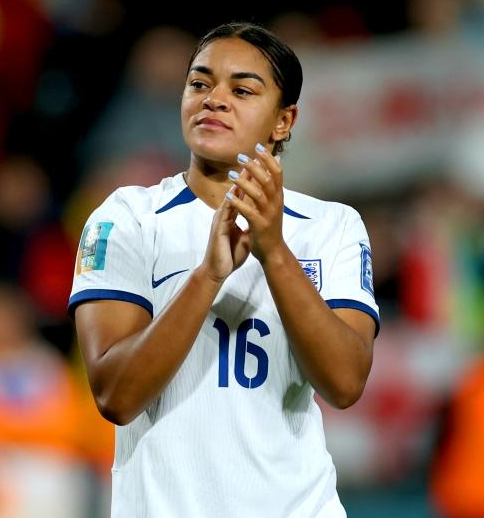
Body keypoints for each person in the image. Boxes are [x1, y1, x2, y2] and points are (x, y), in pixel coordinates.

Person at [69, 21, 380, 518]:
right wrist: (208, 276)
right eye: (199, 83)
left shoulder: (332, 226)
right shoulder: (126, 218)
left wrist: (274, 252)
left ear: (284, 121)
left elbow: (344, 384)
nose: (213, 99)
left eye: (242, 90)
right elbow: (116, 396)